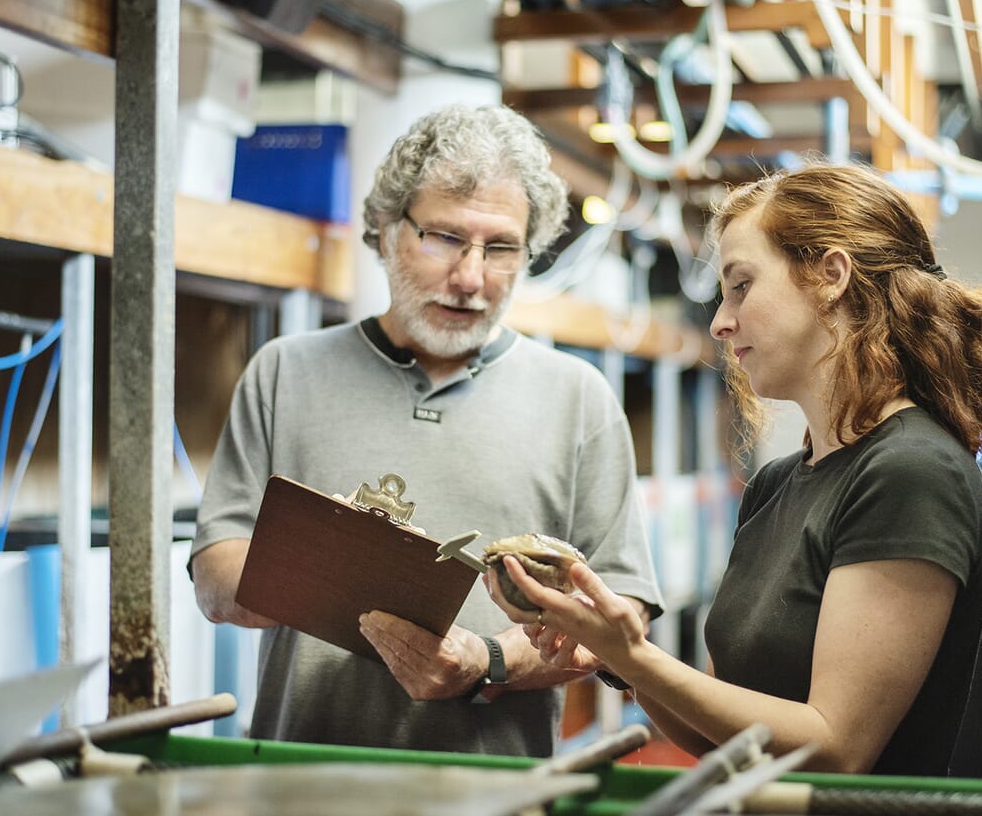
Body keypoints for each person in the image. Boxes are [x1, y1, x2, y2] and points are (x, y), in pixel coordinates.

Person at [488, 163, 982, 776]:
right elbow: (722, 734)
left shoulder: (911, 473)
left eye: (741, 286)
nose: (719, 320)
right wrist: (615, 654)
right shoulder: (776, 484)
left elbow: (835, 747)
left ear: (830, 278)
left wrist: (633, 651)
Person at [191, 103, 663, 758]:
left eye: (500, 248)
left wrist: (489, 661)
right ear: (385, 228)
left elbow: (624, 620)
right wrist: (338, 562)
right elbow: (216, 579)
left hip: (498, 797)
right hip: (302, 784)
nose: (471, 277)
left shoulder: (578, 398)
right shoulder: (284, 372)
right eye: (443, 237)